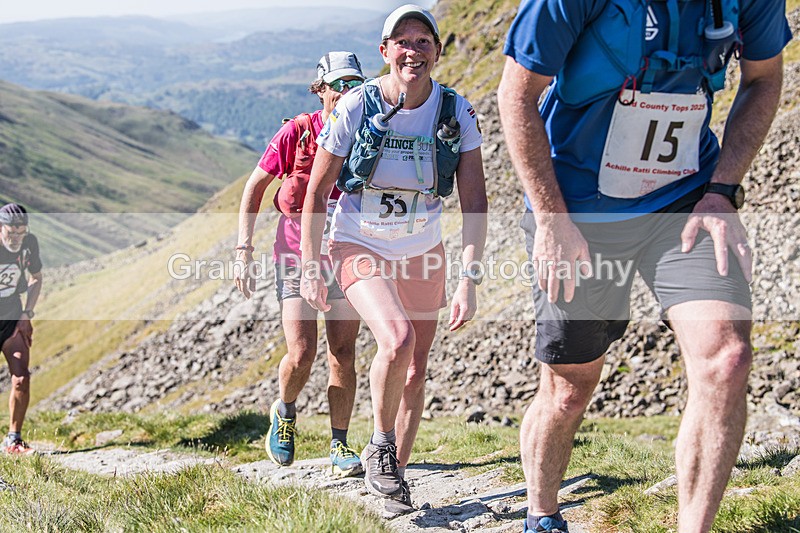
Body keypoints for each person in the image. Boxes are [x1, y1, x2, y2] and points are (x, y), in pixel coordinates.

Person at [498, 0, 792, 531]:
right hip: (578, 210)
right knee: (568, 389)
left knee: (726, 359)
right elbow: (517, 94)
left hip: (685, 201)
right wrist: (551, 220)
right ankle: (541, 514)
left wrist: (723, 192)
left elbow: (764, 77)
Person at [300, 4, 487, 511]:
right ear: (385, 52)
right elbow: (317, 193)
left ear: (437, 52)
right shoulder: (354, 105)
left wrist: (468, 280)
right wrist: (310, 263)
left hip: (424, 249)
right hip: (357, 242)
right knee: (397, 337)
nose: (413, 50)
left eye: (423, 41)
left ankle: (392, 480)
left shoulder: (457, 111)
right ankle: (380, 447)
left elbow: (475, 202)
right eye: (402, 42)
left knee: (415, 368)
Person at [235, 51, 366, 477]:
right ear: (320, 89)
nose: (346, 93)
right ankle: (285, 411)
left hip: (347, 255)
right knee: (303, 352)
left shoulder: (369, 135)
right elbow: (255, 187)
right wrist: (244, 250)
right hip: (294, 256)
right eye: (338, 85)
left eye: (354, 85)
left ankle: (340, 444)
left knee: (342, 353)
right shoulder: (299, 131)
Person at [0, 203, 42, 455]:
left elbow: (36, 277)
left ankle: (13, 440)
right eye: (11, 232)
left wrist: (27, 314)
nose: (16, 238)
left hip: (12, 319)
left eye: (21, 231)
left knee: (21, 378)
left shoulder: (29, 243)